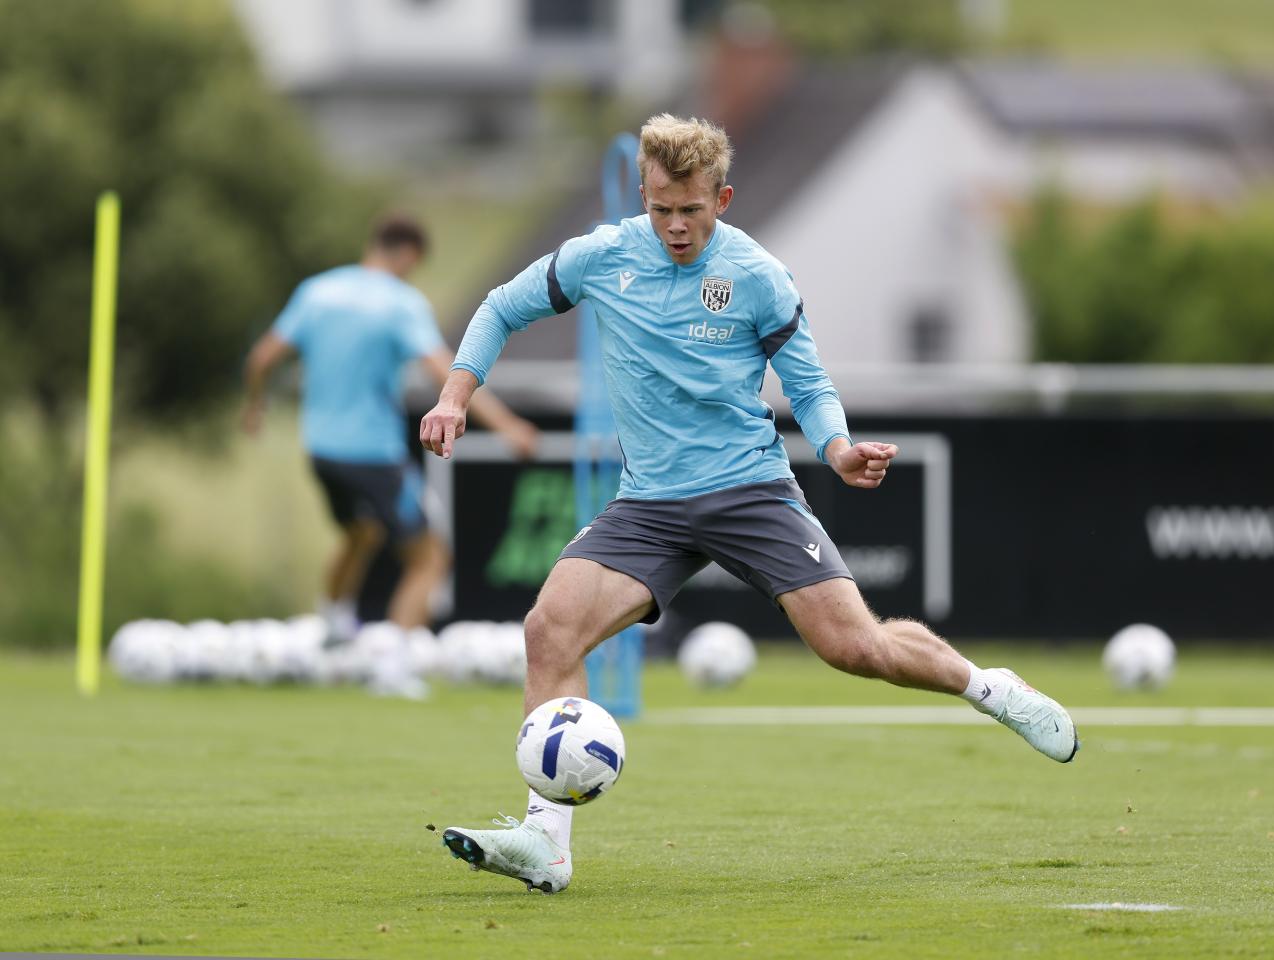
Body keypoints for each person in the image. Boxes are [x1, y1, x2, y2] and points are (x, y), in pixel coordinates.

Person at [420, 115, 1078, 895]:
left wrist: (836, 449)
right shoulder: (602, 255)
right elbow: (501, 306)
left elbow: (807, 381)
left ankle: (989, 688)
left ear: (722, 198)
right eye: (662, 207)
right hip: (650, 505)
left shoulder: (759, 274)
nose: (674, 226)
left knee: (854, 648)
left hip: (749, 491)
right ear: (645, 193)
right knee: (549, 629)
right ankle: (545, 842)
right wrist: (456, 395)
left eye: (691, 210)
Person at [243, 213, 538, 639]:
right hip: (373, 453)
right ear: (408, 254)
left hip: (322, 450)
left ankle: (331, 626)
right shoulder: (400, 303)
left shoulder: (317, 292)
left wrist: (255, 407)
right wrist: (507, 426)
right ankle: (392, 663)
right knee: (430, 559)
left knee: (362, 533)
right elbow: (447, 371)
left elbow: (262, 358)